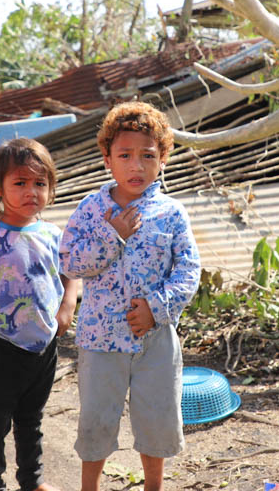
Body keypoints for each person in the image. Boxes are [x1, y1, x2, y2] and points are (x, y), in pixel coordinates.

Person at [59, 101, 201, 491]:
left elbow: (189, 271)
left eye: (147, 156)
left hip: (154, 341)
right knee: (96, 421)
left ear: (163, 159)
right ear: (107, 159)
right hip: (100, 340)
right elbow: (70, 262)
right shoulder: (91, 210)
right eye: (125, 155)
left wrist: (156, 309)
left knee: (156, 419)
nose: (136, 166)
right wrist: (112, 236)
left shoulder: (172, 213)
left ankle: (153, 485)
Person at [0, 138, 78, 491]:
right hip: (0, 345)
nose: (31, 192)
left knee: (31, 419)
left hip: (44, 346)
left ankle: (32, 482)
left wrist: (67, 306)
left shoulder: (51, 234)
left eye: (39, 184)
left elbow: (70, 272)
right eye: (20, 183)